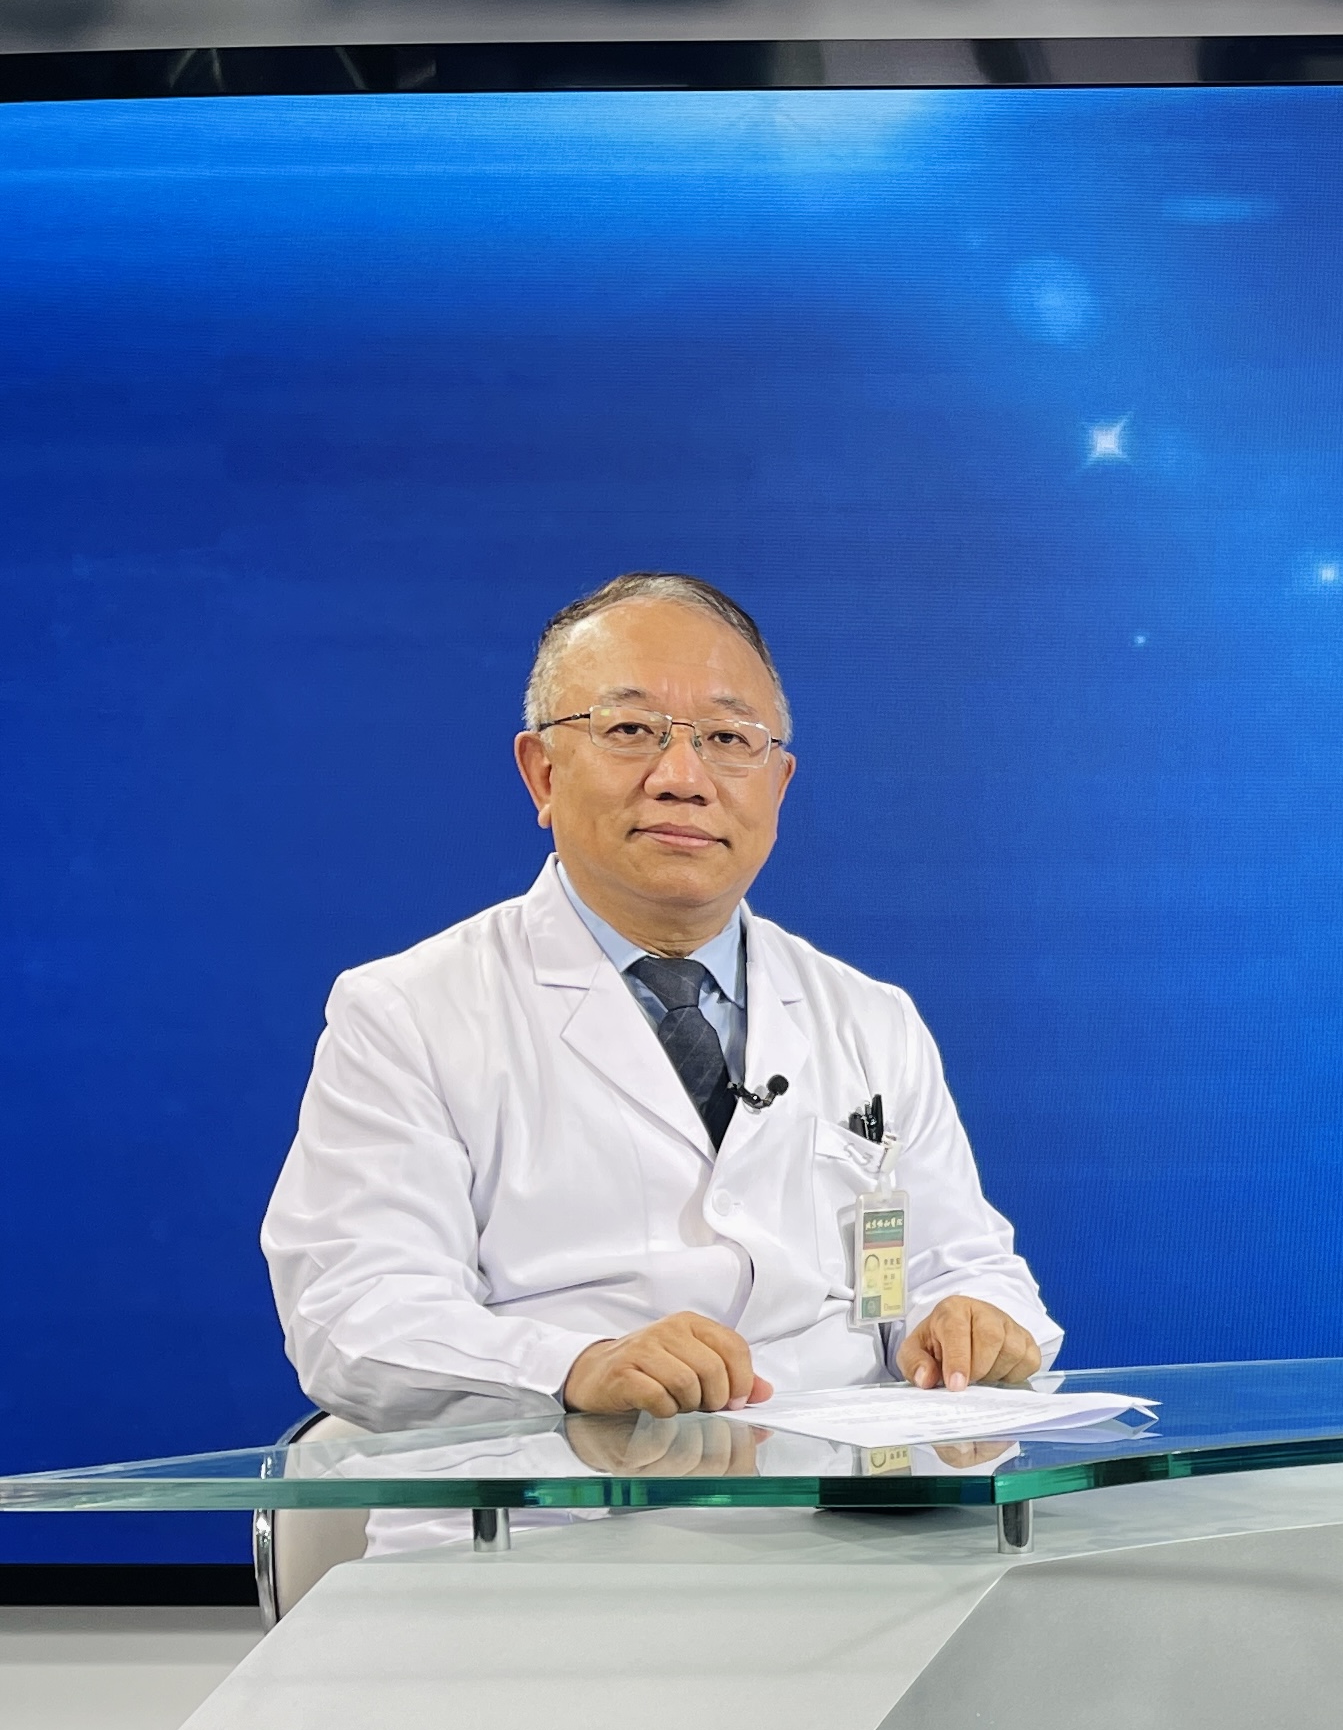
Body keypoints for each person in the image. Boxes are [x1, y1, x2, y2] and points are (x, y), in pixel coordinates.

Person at [264, 571, 1056, 1437]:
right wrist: (575, 1367)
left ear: (778, 787)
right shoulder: (407, 1013)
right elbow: (354, 1316)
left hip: (841, 1499)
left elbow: (963, 1265)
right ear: (542, 773)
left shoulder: (870, 1019)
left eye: (728, 738)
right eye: (631, 730)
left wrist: (972, 1321)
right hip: (549, 1500)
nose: (684, 778)